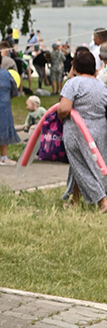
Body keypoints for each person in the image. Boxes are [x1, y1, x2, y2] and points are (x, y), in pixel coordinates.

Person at [58, 49, 107, 211]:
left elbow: (64, 109)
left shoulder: (73, 83)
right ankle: (75, 200)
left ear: (75, 67)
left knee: (80, 166)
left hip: (78, 132)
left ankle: (103, 200)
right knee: (82, 165)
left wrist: (59, 113)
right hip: (99, 130)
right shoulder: (101, 85)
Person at [0, 50, 20, 164]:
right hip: (4, 106)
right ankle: (3, 157)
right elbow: (14, 91)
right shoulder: (7, 74)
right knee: (4, 130)